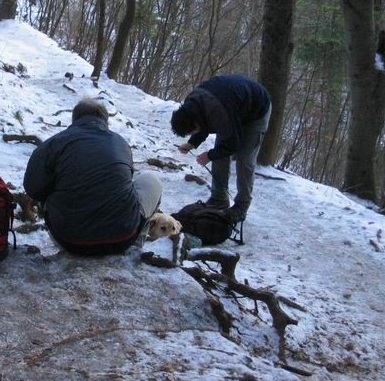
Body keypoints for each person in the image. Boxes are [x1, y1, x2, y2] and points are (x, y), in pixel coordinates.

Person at [24, 98, 162, 254]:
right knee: (151, 179)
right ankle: (136, 246)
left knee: (46, 183)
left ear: (74, 119)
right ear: (105, 120)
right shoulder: (120, 142)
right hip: (122, 238)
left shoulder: (53, 143)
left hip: (69, 240)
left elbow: (32, 188)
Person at [171, 75, 271, 223]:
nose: (193, 134)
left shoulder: (218, 114)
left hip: (257, 111)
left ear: (194, 122)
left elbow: (232, 144)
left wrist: (209, 156)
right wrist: (192, 143)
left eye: (191, 132)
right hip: (233, 108)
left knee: (244, 159)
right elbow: (202, 123)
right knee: (220, 154)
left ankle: (241, 206)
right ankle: (219, 199)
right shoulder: (191, 104)